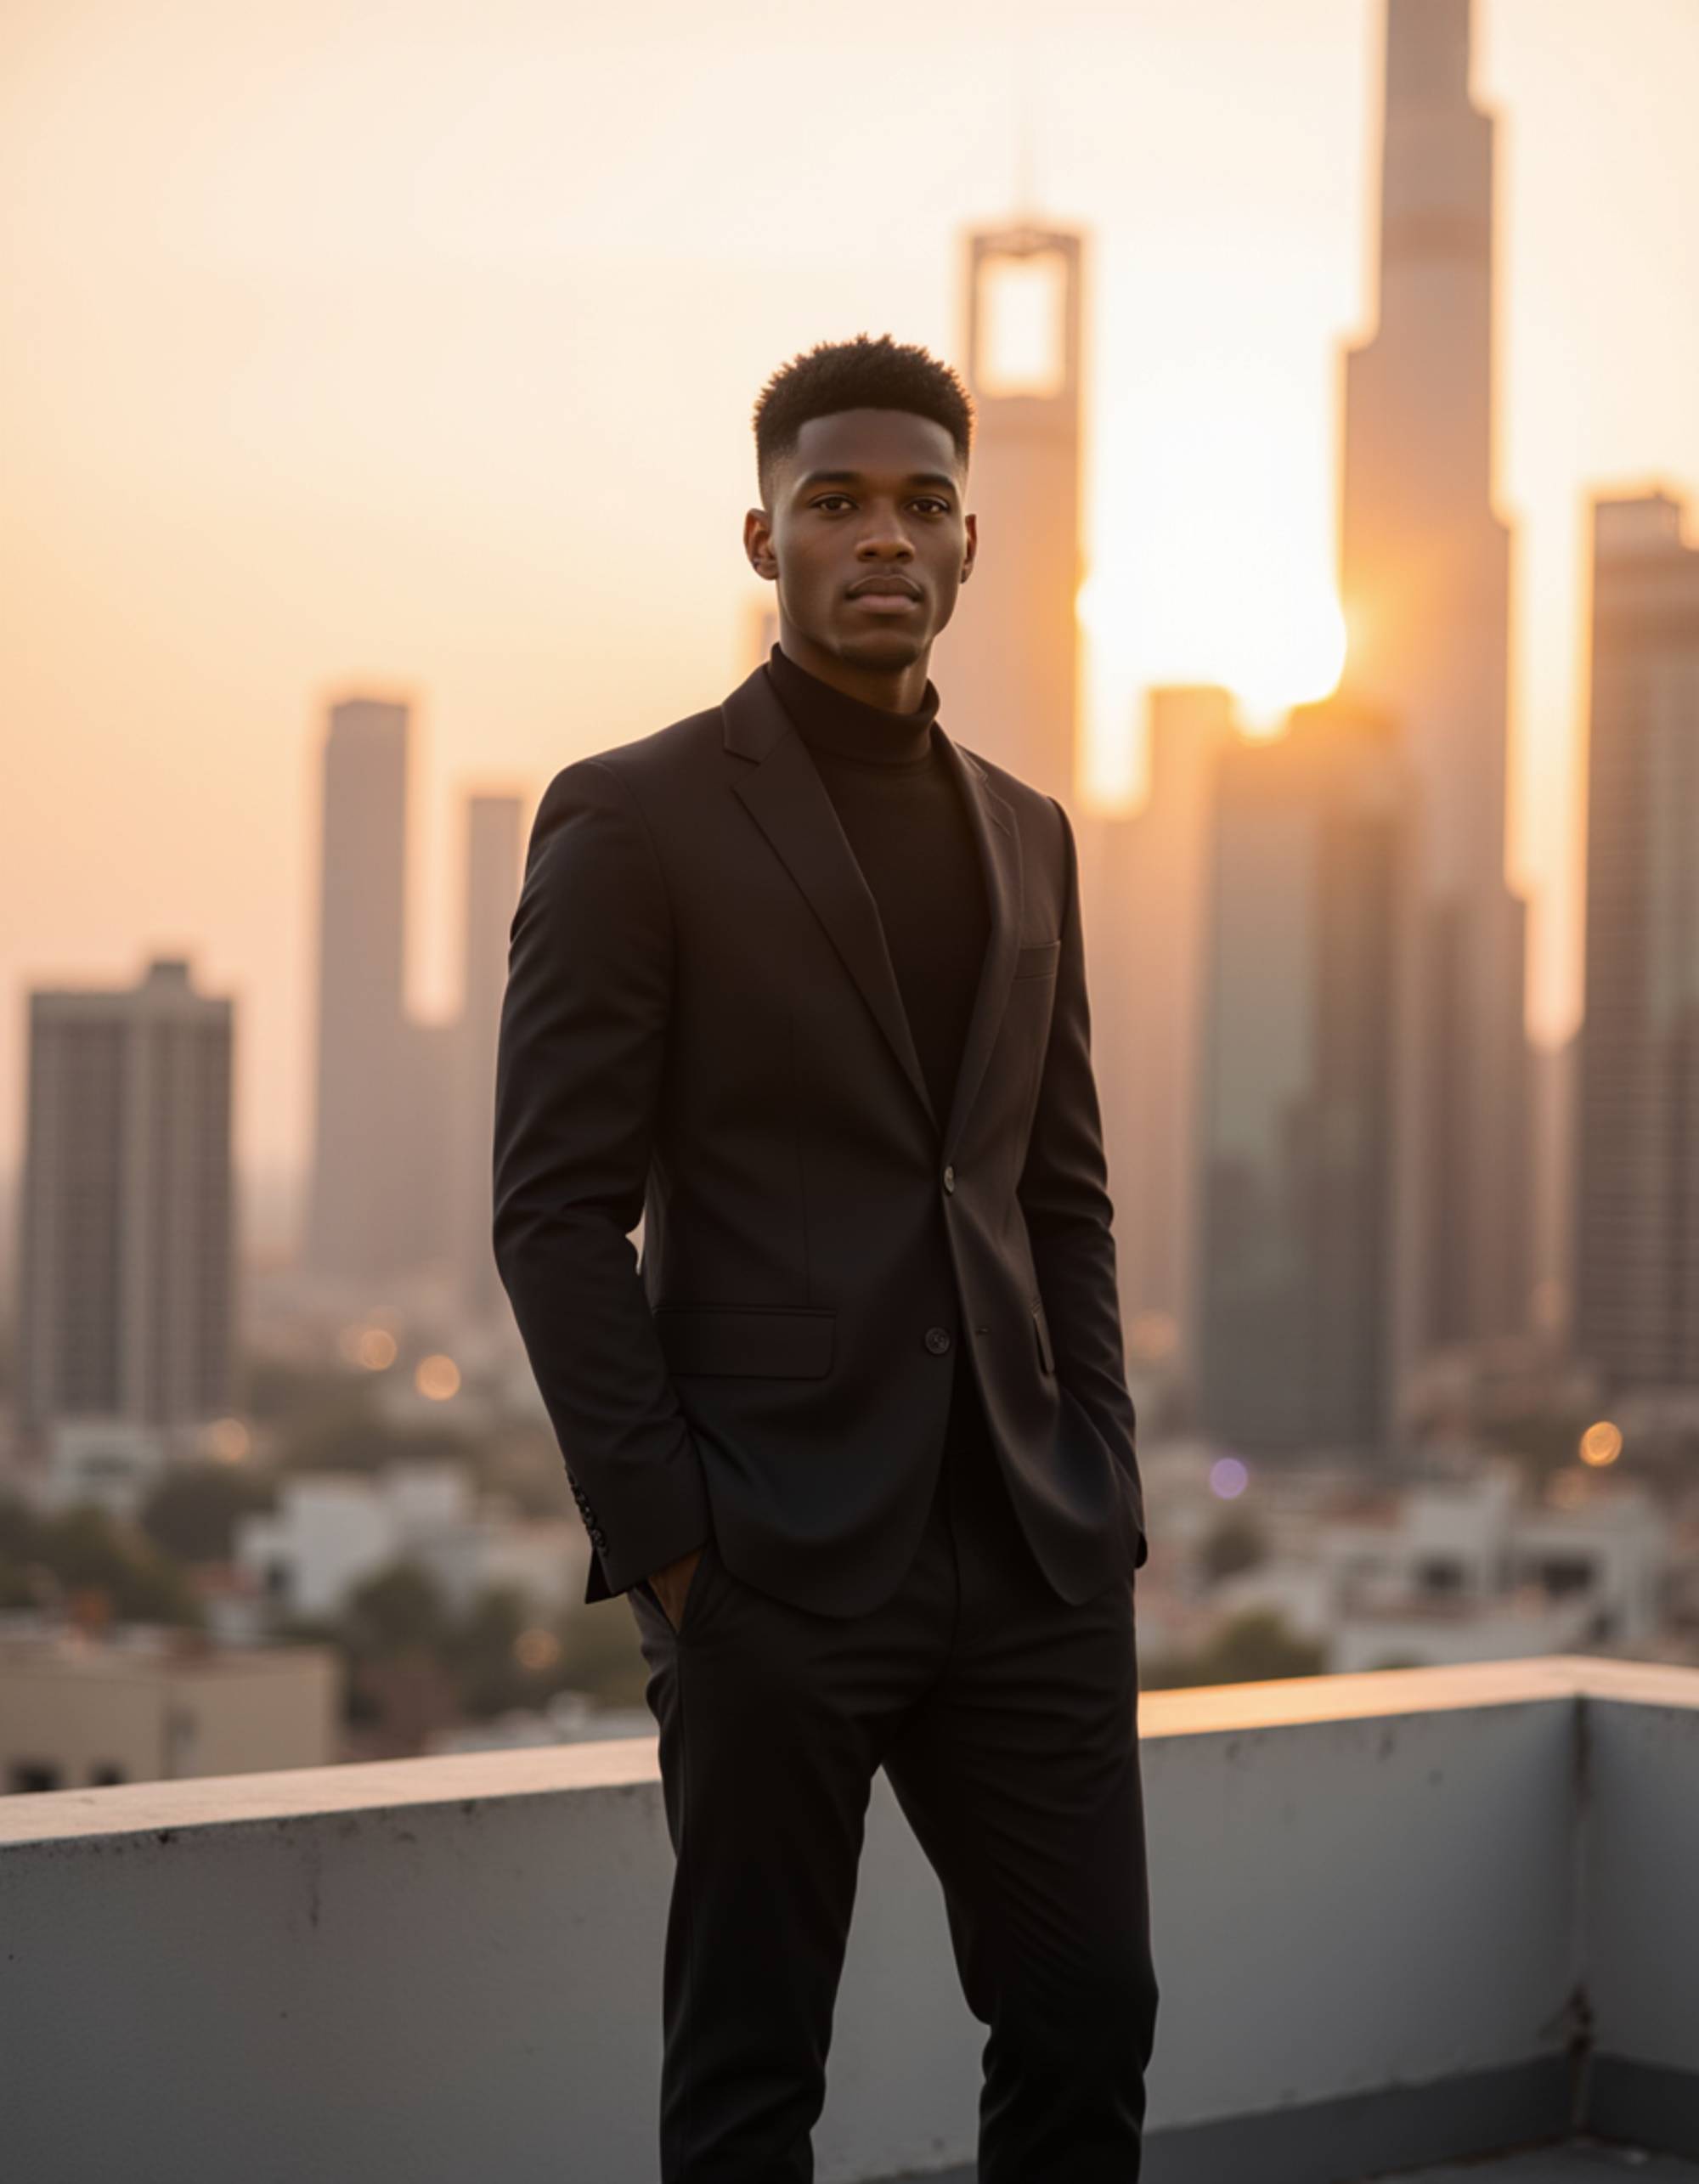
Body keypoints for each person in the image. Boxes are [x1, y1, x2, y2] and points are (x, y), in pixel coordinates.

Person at [492, 331, 1158, 2183]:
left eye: (922, 504)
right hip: (768, 1550)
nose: (884, 535)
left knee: (1089, 2008)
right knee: (748, 2073)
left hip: (1023, 1549)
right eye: (837, 502)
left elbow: (1059, 1191)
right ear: (762, 537)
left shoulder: (1029, 836)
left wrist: (1096, 1478)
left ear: (971, 547)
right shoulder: (634, 812)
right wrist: (677, 1548)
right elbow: (552, 1205)